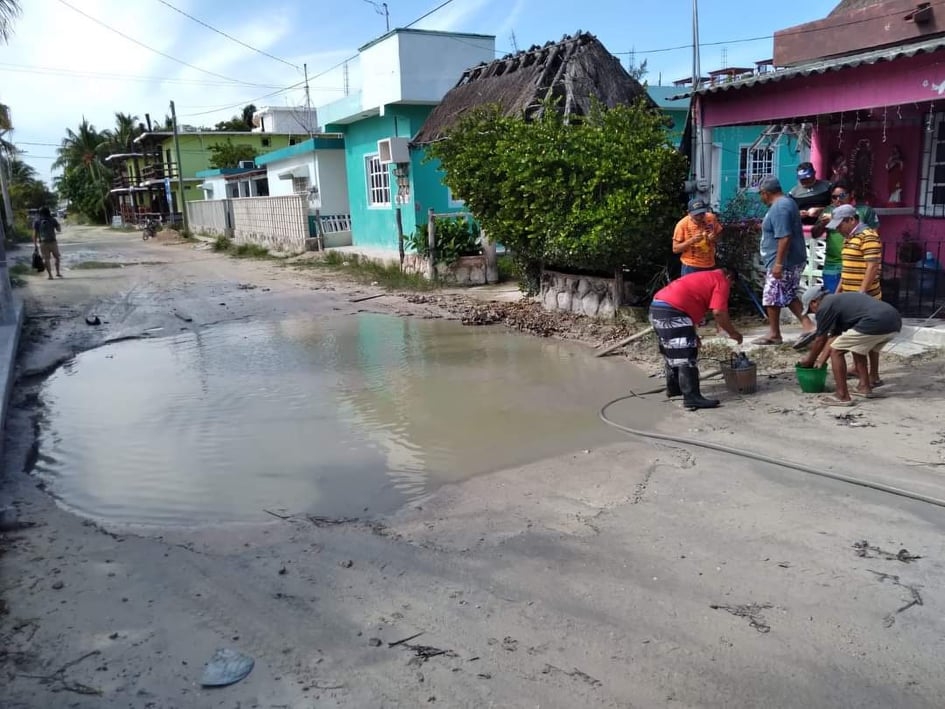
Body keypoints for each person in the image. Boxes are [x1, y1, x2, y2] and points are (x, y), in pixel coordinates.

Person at [649, 266, 744, 410]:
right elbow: (719, 313)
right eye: (732, 285)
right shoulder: (721, 280)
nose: (730, 288)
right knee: (686, 355)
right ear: (730, 277)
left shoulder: (704, 277)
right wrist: (733, 333)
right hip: (673, 310)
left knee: (672, 349)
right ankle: (692, 397)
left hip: (657, 307)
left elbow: (688, 306)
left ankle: (674, 389)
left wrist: (693, 336)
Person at [797, 286, 902, 406]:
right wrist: (820, 360)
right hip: (894, 321)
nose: (814, 313)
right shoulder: (838, 301)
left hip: (875, 321)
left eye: (810, 310)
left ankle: (842, 396)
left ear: (814, 302)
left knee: (836, 351)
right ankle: (864, 387)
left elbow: (821, 339)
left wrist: (809, 360)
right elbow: (835, 336)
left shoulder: (825, 307)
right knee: (857, 346)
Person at [755, 176, 815, 346]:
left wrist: (778, 264)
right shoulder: (785, 204)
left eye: (761, 194)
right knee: (787, 294)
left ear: (766, 193)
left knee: (771, 297)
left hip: (784, 261)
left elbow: (784, 237)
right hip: (788, 259)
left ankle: (774, 334)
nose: (761, 198)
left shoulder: (780, 207)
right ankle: (808, 325)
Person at [810, 180, 879, 294]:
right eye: (834, 197)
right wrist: (823, 223)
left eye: (842, 196)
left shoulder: (864, 210)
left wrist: (838, 218)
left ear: (851, 194)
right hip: (832, 265)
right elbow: (814, 234)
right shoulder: (828, 210)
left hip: (857, 264)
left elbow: (872, 234)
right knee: (834, 301)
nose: (838, 200)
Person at [672, 198, 722, 276]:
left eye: (702, 213)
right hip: (690, 266)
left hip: (709, 264)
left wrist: (714, 238)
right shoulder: (682, 225)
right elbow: (675, 249)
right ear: (689, 213)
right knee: (690, 288)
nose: (700, 217)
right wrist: (691, 240)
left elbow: (720, 237)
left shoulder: (711, 218)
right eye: (696, 215)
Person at [32, 206, 62, 280]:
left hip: (43, 243)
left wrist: (35, 245)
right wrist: (58, 225)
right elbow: (59, 230)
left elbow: (34, 234)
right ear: (48, 212)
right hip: (53, 241)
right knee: (57, 257)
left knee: (46, 259)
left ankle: (50, 276)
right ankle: (57, 273)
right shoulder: (52, 219)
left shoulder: (37, 221)